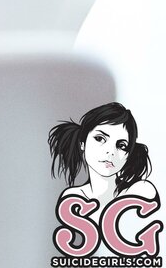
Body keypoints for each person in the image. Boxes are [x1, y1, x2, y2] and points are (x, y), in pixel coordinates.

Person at [49, 102, 160, 259]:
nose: (111, 151)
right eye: (100, 138)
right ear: (82, 143)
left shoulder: (141, 191)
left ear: (128, 155)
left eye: (121, 146)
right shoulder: (72, 198)